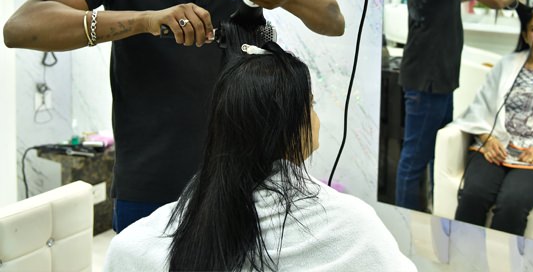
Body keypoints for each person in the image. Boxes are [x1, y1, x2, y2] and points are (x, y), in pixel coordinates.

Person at [3, 0, 345, 232]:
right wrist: (146, 20)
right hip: (149, 189)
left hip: (238, 186)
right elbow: (22, 27)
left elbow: (333, 21)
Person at [103, 41, 417, 272]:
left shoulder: (177, 218)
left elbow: (126, 251)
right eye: (311, 105)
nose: (316, 117)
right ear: (290, 127)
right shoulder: (351, 225)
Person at [395, 0, 533, 212]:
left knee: (437, 156)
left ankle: (433, 220)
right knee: (415, 161)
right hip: (427, 81)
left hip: (436, 80)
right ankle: (405, 226)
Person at [453, 1, 533, 236]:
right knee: (473, 195)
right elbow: (479, 108)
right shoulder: (508, 64)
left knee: (512, 203)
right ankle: (463, 254)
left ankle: (501, 258)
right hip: (496, 147)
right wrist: (488, 138)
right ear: (525, 35)